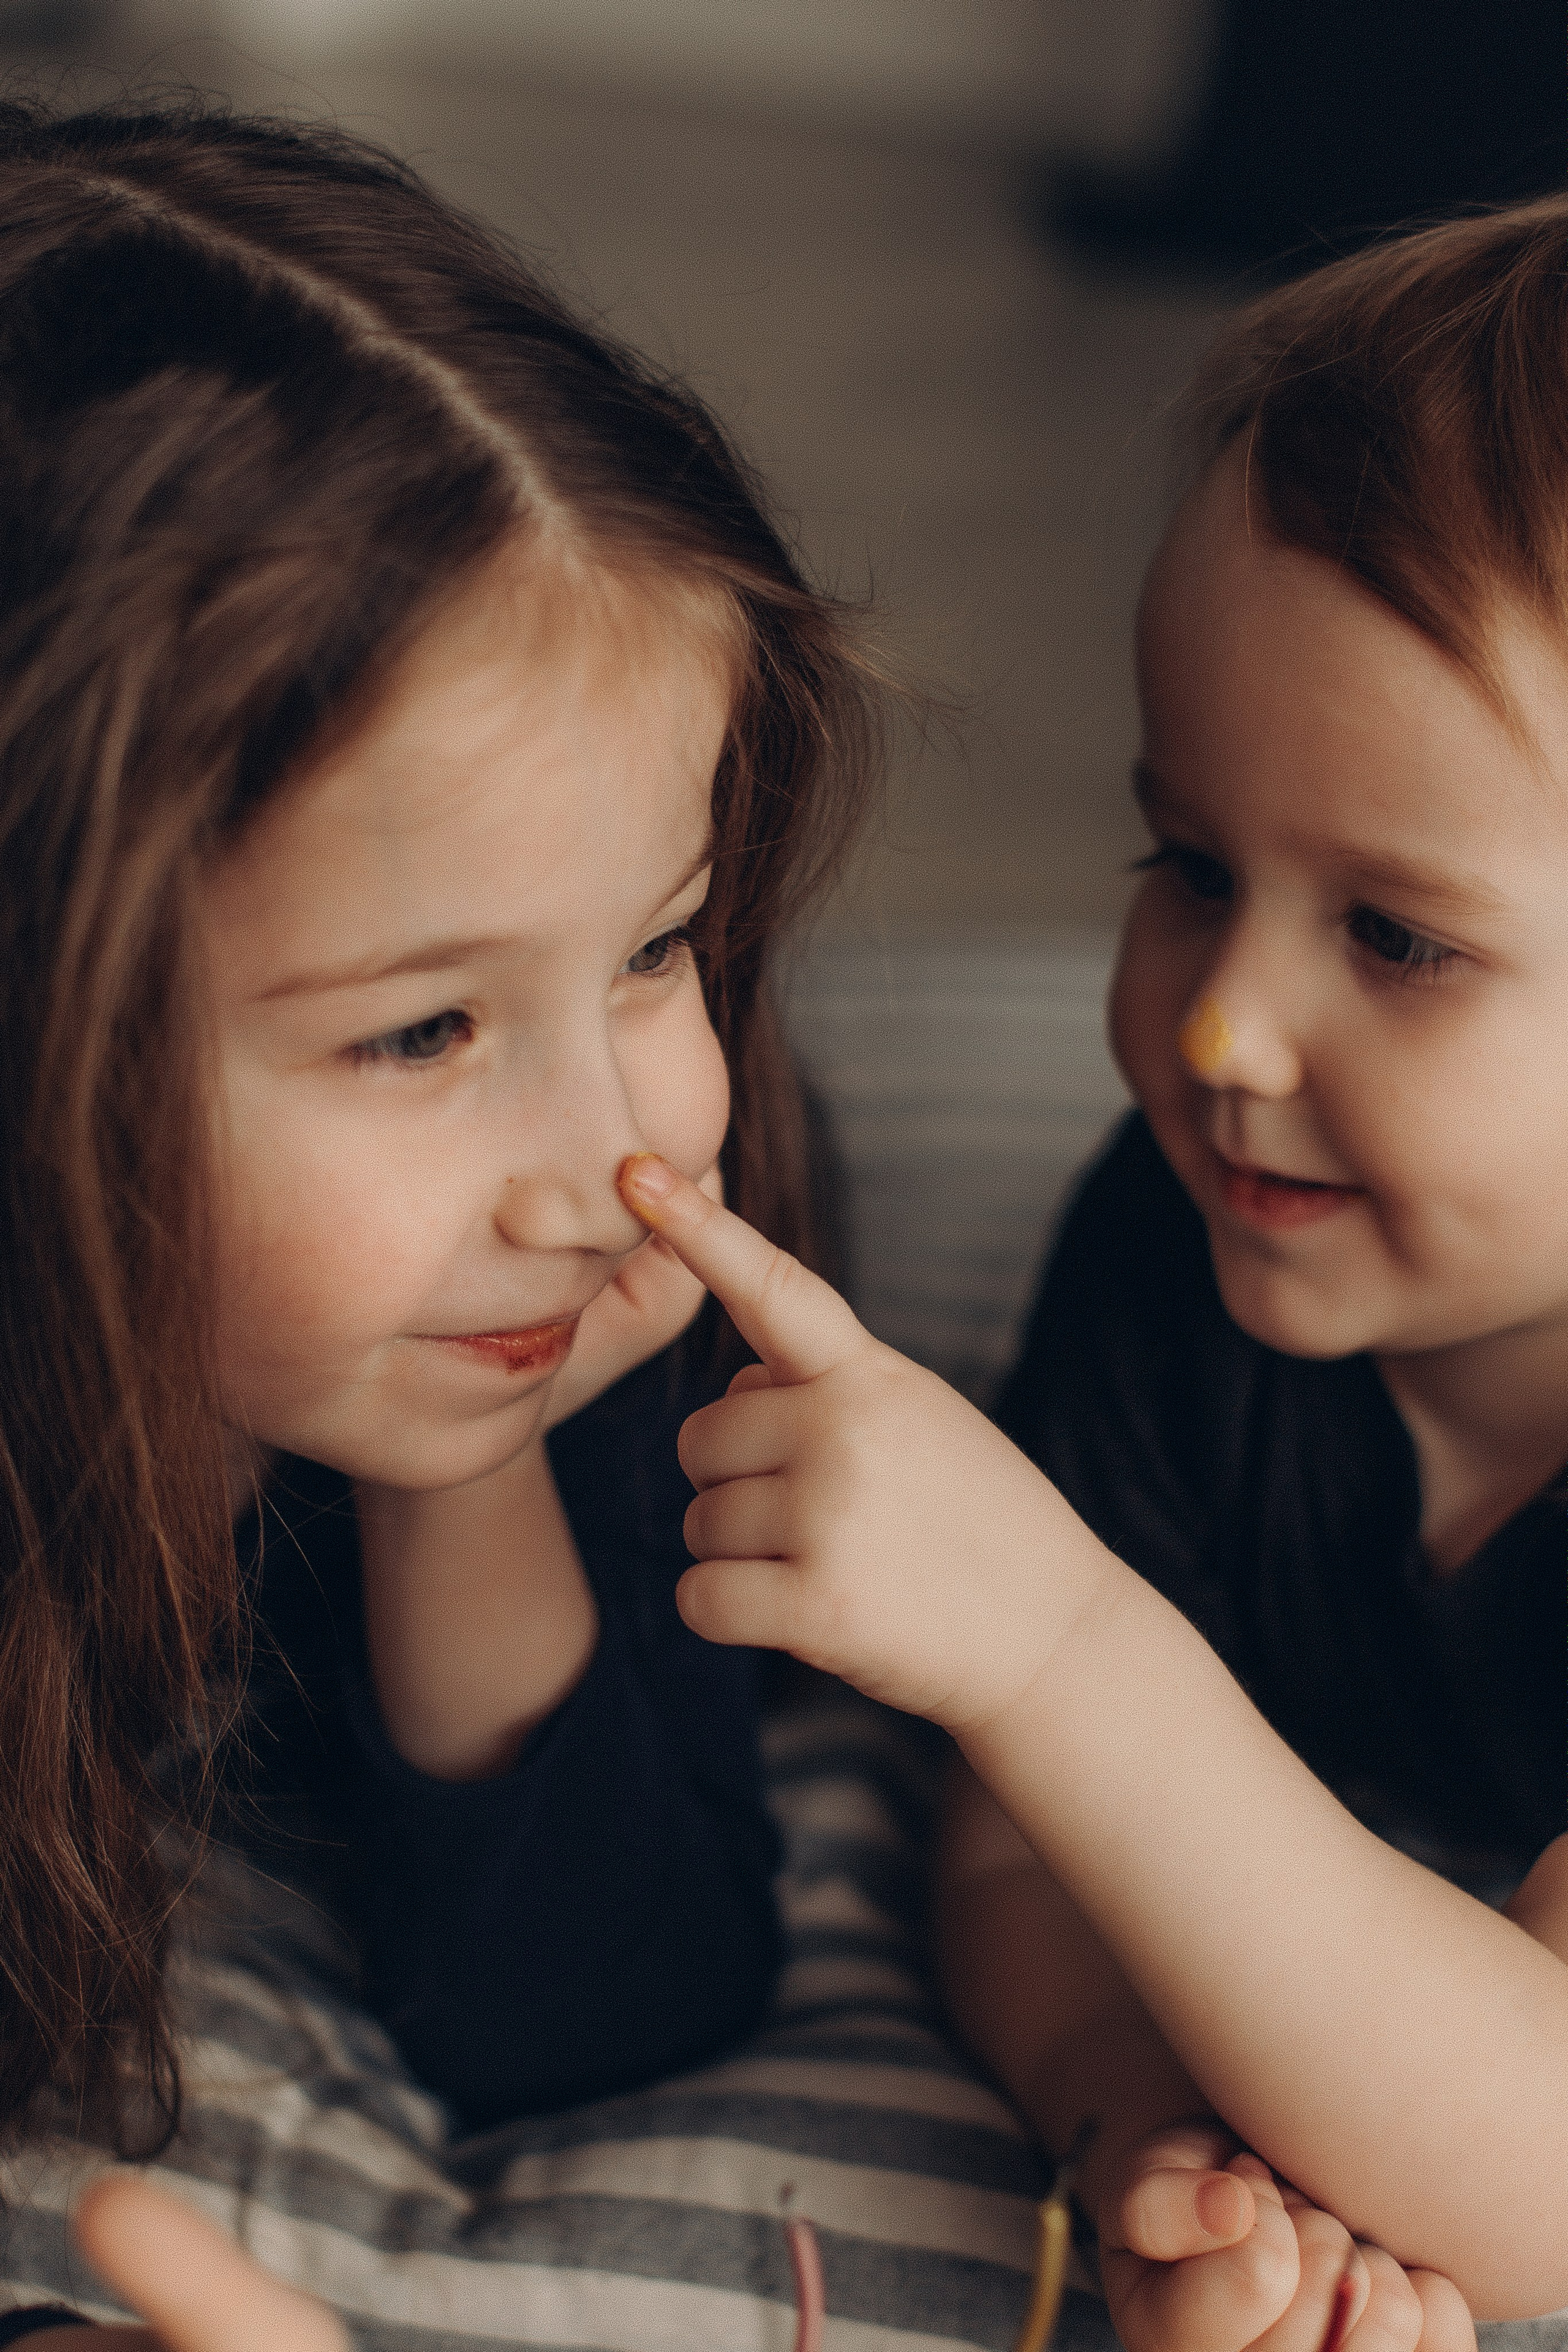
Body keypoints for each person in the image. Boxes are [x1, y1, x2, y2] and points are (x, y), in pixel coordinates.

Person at [615, 195, 1568, 2352]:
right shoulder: (1187, 1234)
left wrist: (1058, 1639)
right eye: (1192, 865)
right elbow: (1018, 1851)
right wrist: (1149, 2127)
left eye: (1397, 936)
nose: (1219, 1031)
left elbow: (1543, 2168)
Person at [0, 95, 879, 2348]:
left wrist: (473, 1474)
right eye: (419, 1032)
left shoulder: (609, 1260)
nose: (611, 1160)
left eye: (660, 945)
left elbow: (610, 1997)